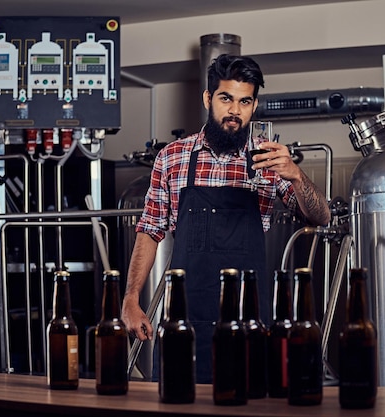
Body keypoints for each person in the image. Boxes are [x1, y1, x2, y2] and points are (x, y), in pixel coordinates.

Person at [121, 53, 331, 384]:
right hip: (185, 321)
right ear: (208, 98)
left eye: (244, 101)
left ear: (254, 105)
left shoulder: (269, 159)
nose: (234, 110)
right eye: (226, 98)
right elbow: (149, 230)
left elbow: (321, 216)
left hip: (249, 322)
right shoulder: (172, 158)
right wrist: (131, 299)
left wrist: (295, 176)